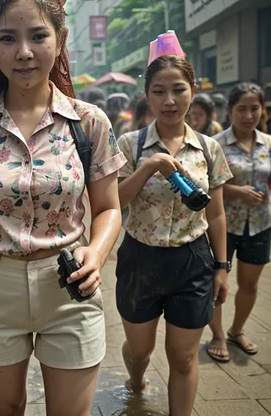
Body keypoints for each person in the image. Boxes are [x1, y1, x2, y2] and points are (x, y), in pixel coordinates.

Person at [0, 0, 125, 416]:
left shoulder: (90, 122)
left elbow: (110, 208)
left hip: (69, 288)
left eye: (38, 35)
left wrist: (95, 254)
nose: (23, 51)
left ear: (59, 40)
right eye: (8, 38)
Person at [116, 44, 232, 416]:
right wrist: (149, 166)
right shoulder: (129, 145)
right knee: (139, 350)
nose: (169, 100)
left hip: (192, 260)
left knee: (182, 358)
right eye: (159, 91)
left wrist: (221, 266)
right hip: (140, 257)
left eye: (178, 89)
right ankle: (136, 379)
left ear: (193, 90)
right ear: (147, 96)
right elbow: (113, 202)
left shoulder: (209, 149)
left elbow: (216, 215)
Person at [207, 83, 271, 362]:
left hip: (260, 223)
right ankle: (218, 334)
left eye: (254, 108)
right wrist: (237, 191)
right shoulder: (216, 144)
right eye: (241, 109)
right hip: (224, 224)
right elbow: (207, 185)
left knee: (250, 284)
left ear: (262, 110)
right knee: (217, 284)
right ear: (229, 111)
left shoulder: (268, 144)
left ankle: (237, 330)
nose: (248, 115)